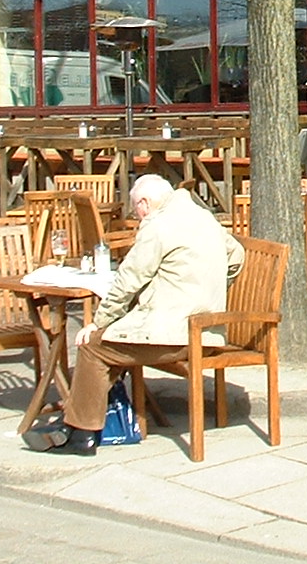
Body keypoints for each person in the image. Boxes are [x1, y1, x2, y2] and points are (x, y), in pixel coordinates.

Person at [23, 173, 244, 456]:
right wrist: (211, 287)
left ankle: (82, 434)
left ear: (144, 203)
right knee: (112, 343)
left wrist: (97, 322)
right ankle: (75, 425)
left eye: (136, 210)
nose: (137, 217)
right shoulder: (204, 218)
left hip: (174, 334)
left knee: (93, 346)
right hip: (205, 329)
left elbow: (128, 280)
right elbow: (237, 255)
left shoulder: (158, 226)